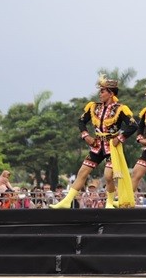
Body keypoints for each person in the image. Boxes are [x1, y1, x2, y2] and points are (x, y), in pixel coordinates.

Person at [49, 77, 137, 209]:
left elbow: (133, 125)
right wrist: (86, 136)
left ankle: (110, 202)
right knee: (82, 172)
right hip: (96, 145)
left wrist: (120, 138)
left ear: (111, 93)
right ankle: (67, 201)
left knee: (108, 176)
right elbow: (81, 121)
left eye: (102, 91)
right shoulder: (94, 107)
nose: (100, 94)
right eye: (100, 91)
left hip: (111, 147)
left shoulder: (120, 109)